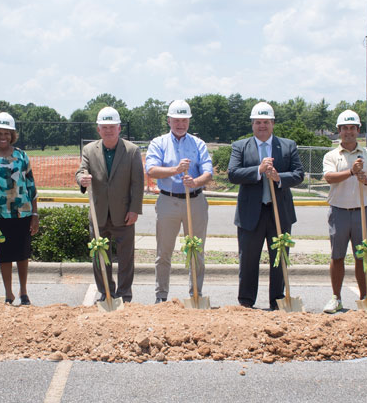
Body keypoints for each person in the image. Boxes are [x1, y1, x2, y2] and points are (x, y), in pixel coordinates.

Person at [228, 102, 304, 310]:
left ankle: (277, 301)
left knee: (279, 259)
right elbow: (233, 174)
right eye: (258, 122)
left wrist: (279, 177)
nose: (262, 126)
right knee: (248, 260)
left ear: (272, 123)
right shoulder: (240, 146)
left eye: (266, 122)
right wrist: (258, 170)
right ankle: (246, 302)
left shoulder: (288, 145)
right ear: (253, 124)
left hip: (279, 212)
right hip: (250, 214)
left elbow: (299, 174)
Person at [145, 100, 213, 304]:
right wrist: (175, 170)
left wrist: (195, 182)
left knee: (196, 250)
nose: (180, 124)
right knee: (164, 252)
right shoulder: (159, 143)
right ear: (169, 120)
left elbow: (208, 173)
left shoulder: (198, 144)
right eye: (176, 120)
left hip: (195, 201)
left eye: (184, 120)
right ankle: (161, 295)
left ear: (189, 121)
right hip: (168, 201)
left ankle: (195, 295)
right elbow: (151, 169)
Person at [75, 106, 144, 303]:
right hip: (99, 215)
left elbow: (137, 183)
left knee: (125, 259)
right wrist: (82, 179)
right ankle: (105, 292)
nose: (108, 130)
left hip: (124, 214)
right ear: (98, 130)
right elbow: (81, 171)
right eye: (104, 127)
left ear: (119, 128)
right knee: (99, 257)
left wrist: (134, 209)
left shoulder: (131, 151)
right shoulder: (89, 150)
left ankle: (124, 295)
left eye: (112, 127)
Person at [320, 110, 367, 314]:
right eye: (344, 128)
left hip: (362, 211)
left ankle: (365, 297)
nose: (348, 132)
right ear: (339, 131)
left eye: (352, 128)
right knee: (337, 256)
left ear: (358, 130)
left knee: (361, 256)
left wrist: (366, 180)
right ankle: (336, 297)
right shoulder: (331, 155)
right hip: (338, 211)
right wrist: (351, 172)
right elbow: (329, 178)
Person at [0, 112, 39, 306]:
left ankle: (24, 292)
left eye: (6, 133)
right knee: (4, 255)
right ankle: (8, 294)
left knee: (22, 254)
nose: (2, 137)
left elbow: (31, 186)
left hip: (22, 212)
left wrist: (35, 214)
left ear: (12, 135)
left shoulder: (21, 156)